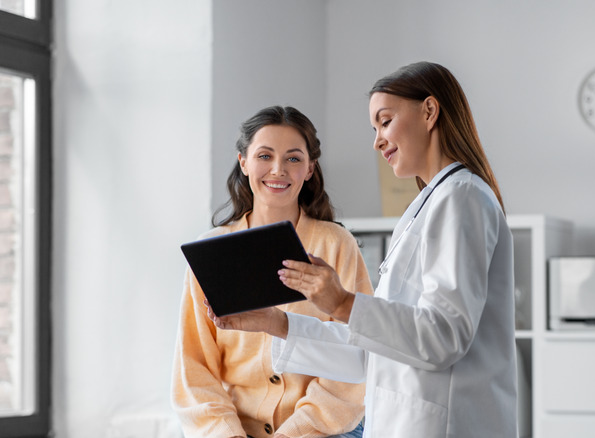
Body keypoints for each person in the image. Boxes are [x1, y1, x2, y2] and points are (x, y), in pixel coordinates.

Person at [208, 62, 517, 437]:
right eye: (375, 128)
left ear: (430, 111)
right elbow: (372, 354)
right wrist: (275, 322)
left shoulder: (462, 198)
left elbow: (444, 337)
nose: (377, 141)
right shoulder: (428, 205)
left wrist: (342, 302)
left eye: (385, 122)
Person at [172, 106, 372, 438]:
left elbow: (357, 360)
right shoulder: (211, 252)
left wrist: (294, 433)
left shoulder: (337, 245)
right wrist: (228, 433)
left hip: (325, 429)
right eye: (265, 155)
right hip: (234, 428)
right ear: (244, 162)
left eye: (293, 159)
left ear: (310, 168)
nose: (278, 170)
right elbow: (193, 369)